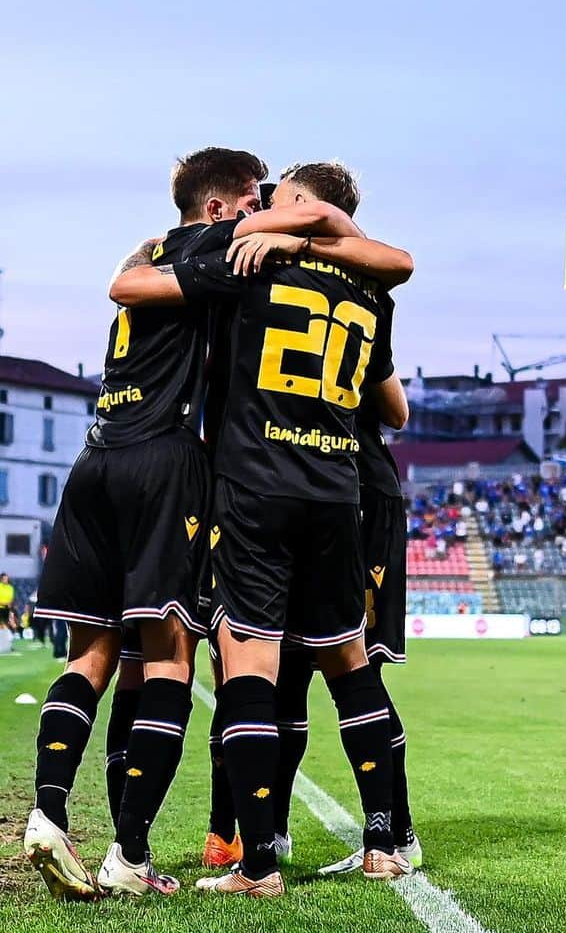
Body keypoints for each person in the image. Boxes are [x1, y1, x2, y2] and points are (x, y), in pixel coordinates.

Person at [23, 147, 381, 902]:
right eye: (253, 204)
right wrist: (297, 232)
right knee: (171, 661)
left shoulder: (154, 248)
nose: (262, 217)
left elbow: (125, 282)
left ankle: (48, 813)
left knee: (92, 656)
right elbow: (349, 235)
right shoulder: (223, 253)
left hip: (95, 458)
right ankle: (129, 853)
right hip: (171, 467)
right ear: (219, 210)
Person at [112, 162, 412, 898]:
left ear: (300, 204)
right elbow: (387, 394)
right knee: (348, 663)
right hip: (337, 490)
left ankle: (258, 865)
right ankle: (384, 842)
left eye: (275, 200)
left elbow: (149, 293)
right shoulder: (372, 286)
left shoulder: (254, 261)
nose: (265, 208)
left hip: (254, 483)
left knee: (248, 666)